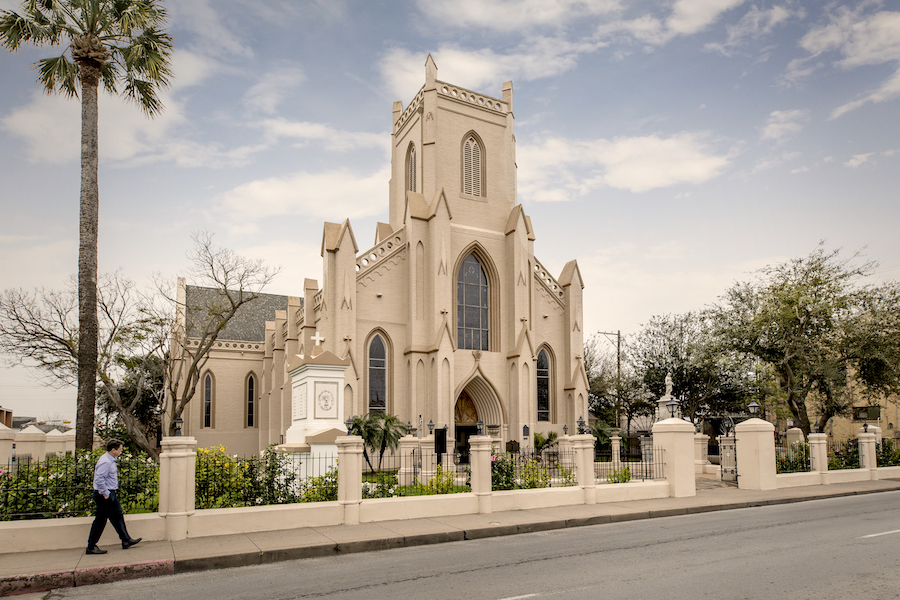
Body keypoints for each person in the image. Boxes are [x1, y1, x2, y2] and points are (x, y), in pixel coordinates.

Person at [85, 439, 142, 555]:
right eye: (120, 449)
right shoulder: (105, 461)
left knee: (117, 516)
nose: (121, 451)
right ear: (113, 450)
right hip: (104, 495)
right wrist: (106, 494)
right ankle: (91, 546)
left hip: (110, 493)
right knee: (100, 520)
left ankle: (125, 539)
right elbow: (99, 479)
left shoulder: (110, 460)